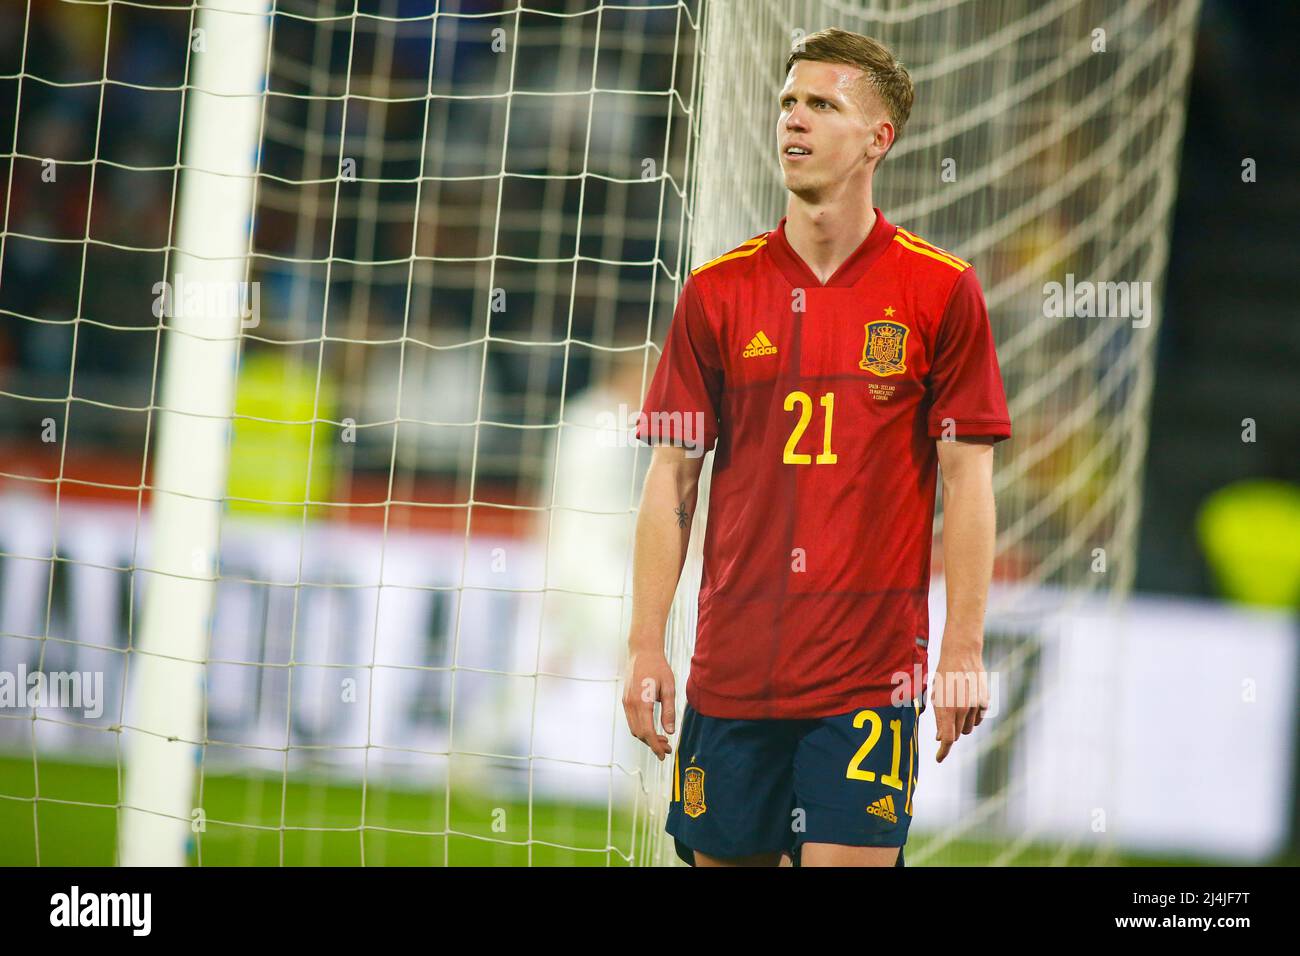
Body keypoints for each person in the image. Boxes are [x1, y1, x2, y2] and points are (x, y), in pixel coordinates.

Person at [622, 28, 1011, 867]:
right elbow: (672, 483)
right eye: (788, 102)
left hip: (867, 680)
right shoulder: (716, 291)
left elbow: (968, 483)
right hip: (731, 672)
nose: (793, 120)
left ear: (879, 139)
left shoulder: (941, 291)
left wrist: (963, 650)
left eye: (821, 105)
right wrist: (645, 642)